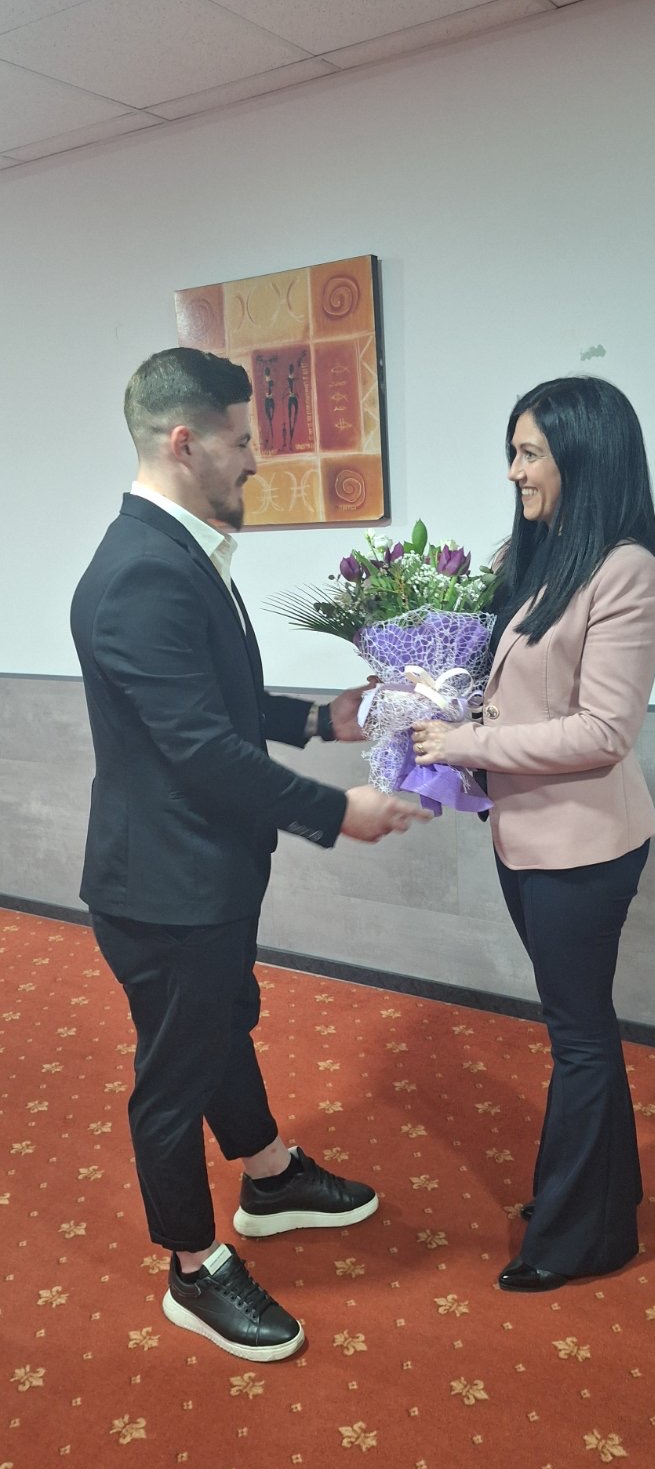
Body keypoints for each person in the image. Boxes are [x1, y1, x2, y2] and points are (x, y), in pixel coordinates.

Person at [71, 347, 429, 1362]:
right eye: (241, 440)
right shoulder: (142, 572)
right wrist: (337, 810)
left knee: (224, 1021)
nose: (254, 461)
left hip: (201, 871)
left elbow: (213, 703)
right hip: (164, 884)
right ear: (185, 442)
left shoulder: (177, 551)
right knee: (173, 1078)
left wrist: (322, 717)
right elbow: (200, 748)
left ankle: (267, 1176)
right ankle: (192, 1267)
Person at [412, 376, 655, 1292]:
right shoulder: (544, 555)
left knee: (579, 1037)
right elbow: (513, 689)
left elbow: (602, 732)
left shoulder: (627, 572)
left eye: (528, 453)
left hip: (584, 848)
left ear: (583, 456)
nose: (513, 471)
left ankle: (579, 1238)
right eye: (513, 451)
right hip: (525, 836)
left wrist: (465, 743)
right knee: (580, 1029)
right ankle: (598, 1195)